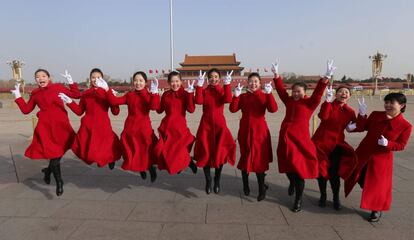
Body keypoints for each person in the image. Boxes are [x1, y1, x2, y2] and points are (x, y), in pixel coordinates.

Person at [273, 60, 333, 212]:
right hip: (286, 138)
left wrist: (325, 78)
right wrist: (276, 76)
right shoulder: (289, 101)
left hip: (300, 141)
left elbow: (318, 93)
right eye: (293, 91)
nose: (295, 94)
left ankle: (298, 200)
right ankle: (292, 183)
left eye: (298, 91)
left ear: (304, 92)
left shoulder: (309, 103)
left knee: (299, 170)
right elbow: (280, 91)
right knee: (287, 167)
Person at [11, 69, 81, 196]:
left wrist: (71, 82)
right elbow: (26, 110)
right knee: (55, 157)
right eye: (37, 77)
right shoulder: (36, 93)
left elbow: (76, 95)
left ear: (49, 77)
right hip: (46, 129)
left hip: (61, 128)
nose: (40, 78)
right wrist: (18, 96)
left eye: (43, 76)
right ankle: (59, 182)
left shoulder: (58, 87)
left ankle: (48, 171)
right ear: (35, 80)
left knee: (57, 154)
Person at [345, 93, 412, 222]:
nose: (388, 105)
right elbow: (362, 126)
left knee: (376, 186)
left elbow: (401, 145)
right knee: (358, 177)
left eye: (392, 103)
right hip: (363, 153)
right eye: (386, 102)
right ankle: (371, 198)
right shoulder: (376, 114)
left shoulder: (405, 126)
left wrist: (388, 144)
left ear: (402, 105)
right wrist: (362, 115)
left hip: (381, 160)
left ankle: (376, 208)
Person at [99, 71, 160, 182]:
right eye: (136, 80)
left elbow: (154, 107)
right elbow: (114, 101)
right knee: (132, 151)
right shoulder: (130, 95)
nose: (138, 83)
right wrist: (107, 90)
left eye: (141, 81)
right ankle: (141, 169)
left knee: (146, 151)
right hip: (130, 128)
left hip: (143, 129)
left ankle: (151, 168)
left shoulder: (148, 95)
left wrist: (154, 93)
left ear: (145, 82)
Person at [58, 68, 121, 169]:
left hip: (103, 126)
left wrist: (112, 97)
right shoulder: (86, 94)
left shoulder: (107, 92)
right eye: (93, 77)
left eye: (98, 77)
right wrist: (70, 102)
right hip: (88, 126)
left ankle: (110, 159)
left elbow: (116, 112)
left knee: (108, 145)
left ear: (103, 79)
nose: (95, 79)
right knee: (91, 150)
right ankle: (104, 160)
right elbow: (79, 111)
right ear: (90, 79)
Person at [230, 72, 278, 201]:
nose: (253, 83)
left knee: (259, 160)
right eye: (251, 81)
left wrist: (269, 94)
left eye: (256, 81)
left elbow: (273, 109)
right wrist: (236, 96)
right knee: (245, 158)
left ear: (260, 83)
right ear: (247, 83)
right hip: (245, 131)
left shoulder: (263, 95)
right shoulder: (243, 96)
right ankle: (246, 186)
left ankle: (262, 188)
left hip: (259, 131)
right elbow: (233, 109)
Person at [312, 85, 357, 210]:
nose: (343, 93)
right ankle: (323, 195)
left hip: (337, 144)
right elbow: (323, 117)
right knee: (321, 171)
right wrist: (326, 101)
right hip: (321, 143)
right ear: (336, 94)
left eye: (346, 92)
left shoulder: (350, 111)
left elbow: (354, 127)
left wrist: (362, 116)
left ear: (349, 96)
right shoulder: (328, 105)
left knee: (334, 172)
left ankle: (336, 197)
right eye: (340, 92)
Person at [194, 69, 236, 194]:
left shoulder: (221, 90)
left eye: (216, 76)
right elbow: (198, 101)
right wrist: (199, 86)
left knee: (220, 154)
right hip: (205, 126)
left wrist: (227, 85)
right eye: (211, 77)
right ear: (207, 78)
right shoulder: (205, 91)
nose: (213, 79)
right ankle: (208, 180)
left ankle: (217, 180)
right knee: (205, 153)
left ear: (219, 78)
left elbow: (228, 100)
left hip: (219, 126)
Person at [154, 71, 197, 175]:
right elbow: (159, 110)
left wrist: (191, 94)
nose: (175, 84)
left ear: (181, 81)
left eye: (177, 81)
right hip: (167, 127)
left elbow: (191, 110)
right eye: (172, 82)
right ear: (168, 82)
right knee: (162, 150)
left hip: (179, 128)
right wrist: (154, 94)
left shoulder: (185, 94)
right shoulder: (166, 94)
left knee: (178, 150)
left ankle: (187, 162)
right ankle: (183, 164)